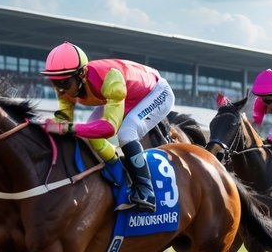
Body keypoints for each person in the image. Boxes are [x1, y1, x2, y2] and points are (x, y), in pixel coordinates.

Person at [41, 41, 173, 212]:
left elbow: (109, 128)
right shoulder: (67, 85)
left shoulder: (110, 79)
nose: (60, 89)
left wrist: (68, 128)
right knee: (91, 131)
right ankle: (119, 176)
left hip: (156, 92)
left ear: (82, 74)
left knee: (126, 133)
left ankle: (146, 191)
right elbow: (63, 118)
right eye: (55, 82)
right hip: (127, 94)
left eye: (65, 83)